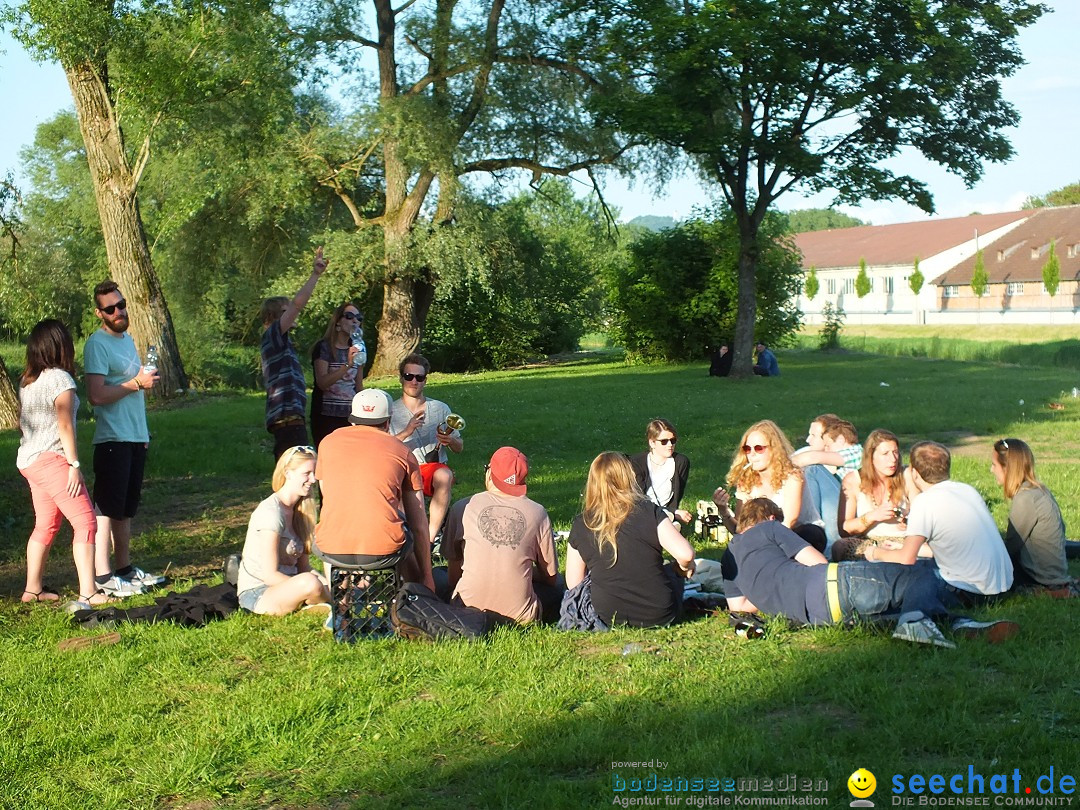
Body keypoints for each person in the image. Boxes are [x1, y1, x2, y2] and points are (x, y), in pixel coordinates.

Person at [721, 498, 1018, 648]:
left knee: (899, 608)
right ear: (771, 518)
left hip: (817, 619)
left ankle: (955, 625)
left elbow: (742, 608)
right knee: (915, 573)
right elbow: (816, 562)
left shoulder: (728, 556)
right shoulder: (770, 529)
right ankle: (932, 615)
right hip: (831, 585)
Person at [16, 320, 111, 608]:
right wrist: (74, 464)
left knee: (45, 524)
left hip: (29, 460)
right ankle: (89, 592)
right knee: (85, 522)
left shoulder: (28, 381)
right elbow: (65, 424)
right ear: (61, 346)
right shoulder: (60, 379)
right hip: (52, 460)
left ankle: (32, 589)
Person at [85, 280, 165, 598]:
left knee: (126, 509)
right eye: (110, 308)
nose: (118, 311)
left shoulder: (129, 339)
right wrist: (135, 384)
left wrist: (143, 433)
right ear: (99, 313)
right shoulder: (96, 344)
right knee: (107, 508)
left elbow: (136, 388)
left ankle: (125, 570)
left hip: (134, 435)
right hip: (111, 438)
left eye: (121, 304)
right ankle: (103, 576)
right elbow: (95, 395)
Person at [314, 389, 435, 590]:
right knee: (405, 530)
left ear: (352, 421)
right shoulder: (403, 452)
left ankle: (340, 599)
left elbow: (328, 496)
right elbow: (419, 522)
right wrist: (428, 576)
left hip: (330, 547)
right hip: (383, 550)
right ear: (388, 423)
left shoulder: (327, 444)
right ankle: (416, 594)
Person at [867, 441, 1013, 603]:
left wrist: (875, 553)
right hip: (1003, 585)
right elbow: (950, 548)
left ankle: (918, 621)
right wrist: (901, 546)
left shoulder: (924, 502)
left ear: (914, 473)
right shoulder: (966, 490)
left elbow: (905, 559)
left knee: (907, 576)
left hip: (970, 591)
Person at [564, 452, 696, 628]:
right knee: (670, 571)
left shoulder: (582, 523)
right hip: (660, 613)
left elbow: (574, 583)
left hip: (607, 614)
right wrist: (682, 570)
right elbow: (685, 554)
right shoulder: (649, 510)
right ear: (628, 477)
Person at [442, 447, 561, 624]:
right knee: (561, 585)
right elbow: (551, 577)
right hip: (521, 617)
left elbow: (453, 576)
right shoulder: (538, 512)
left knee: (439, 574)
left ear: (489, 473)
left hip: (466, 610)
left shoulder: (462, 507)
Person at [236, 446, 330, 615]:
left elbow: (304, 567)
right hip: (258, 592)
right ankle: (331, 604)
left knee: (321, 582)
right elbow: (269, 575)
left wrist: (328, 586)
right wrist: (316, 586)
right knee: (310, 583)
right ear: (287, 473)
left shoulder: (302, 512)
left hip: (292, 584)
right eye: (307, 473)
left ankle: (325, 603)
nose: (313, 479)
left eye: (314, 473)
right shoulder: (270, 512)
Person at [713, 420, 826, 552]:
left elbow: (789, 522)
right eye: (747, 449)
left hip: (800, 535)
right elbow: (740, 530)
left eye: (759, 448)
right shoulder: (746, 480)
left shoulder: (792, 477)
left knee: (807, 534)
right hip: (764, 541)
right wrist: (723, 511)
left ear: (774, 449)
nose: (752, 454)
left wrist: (761, 546)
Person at [260, 246, 329, 460]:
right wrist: (315, 275)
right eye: (285, 311)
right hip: (286, 417)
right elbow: (299, 304)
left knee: (291, 466)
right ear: (272, 316)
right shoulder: (273, 335)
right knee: (296, 467)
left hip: (291, 417)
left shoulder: (281, 341)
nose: (291, 314)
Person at [390, 353, 463, 547]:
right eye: (409, 376)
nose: (414, 381)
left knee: (444, 475)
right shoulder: (391, 410)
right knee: (397, 482)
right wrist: (407, 431)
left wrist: (450, 441)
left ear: (425, 380)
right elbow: (383, 447)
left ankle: (429, 539)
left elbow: (459, 447)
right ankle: (405, 538)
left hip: (432, 469)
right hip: (403, 469)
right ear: (401, 378)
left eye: (419, 377)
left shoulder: (439, 408)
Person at [991, 438, 1070, 592]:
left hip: (1041, 579)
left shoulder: (1025, 498)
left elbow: (1010, 548)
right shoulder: (1038, 490)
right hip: (1053, 573)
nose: (991, 470)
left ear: (1007, 468)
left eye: (994, 465)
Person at [833, 429, 911, 560]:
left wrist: (908, 521)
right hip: (869, 542)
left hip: (902, 542)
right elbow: (844, 529)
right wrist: (873, 516)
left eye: (895, 452)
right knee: (840, 547)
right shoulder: (853, 480)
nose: (893, 459)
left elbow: (925, 517)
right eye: (885, 454)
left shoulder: (907, 475)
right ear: (871, 456)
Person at [791, 414, 862, 552]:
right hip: (844, 508)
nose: (827, 449)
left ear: (841, 440)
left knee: (814, 469)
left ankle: (814, 528)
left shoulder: (855, 452)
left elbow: (813, 457)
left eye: (828, 445)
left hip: (852, 512)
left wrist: (778, 466)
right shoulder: (844, 458)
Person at [310, 302, 364, 448]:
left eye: (359, 318)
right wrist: (347, 365)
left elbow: (358, 387)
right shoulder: (324, 347)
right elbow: (322, 383)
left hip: (351, 416)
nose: (355, 321)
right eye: (349, 316)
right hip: (326, 416)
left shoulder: (358, 348)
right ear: (338, 322)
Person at [627, 418, 692, 527]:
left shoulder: (680, 462)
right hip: (640, 512)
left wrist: (672, 510)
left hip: (666, 513)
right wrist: (674, 512)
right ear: (652, 443)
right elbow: (636, 500)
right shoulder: (636, 463)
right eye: (664, 441)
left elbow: (677, 496)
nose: (670, 444)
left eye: (673, 440)